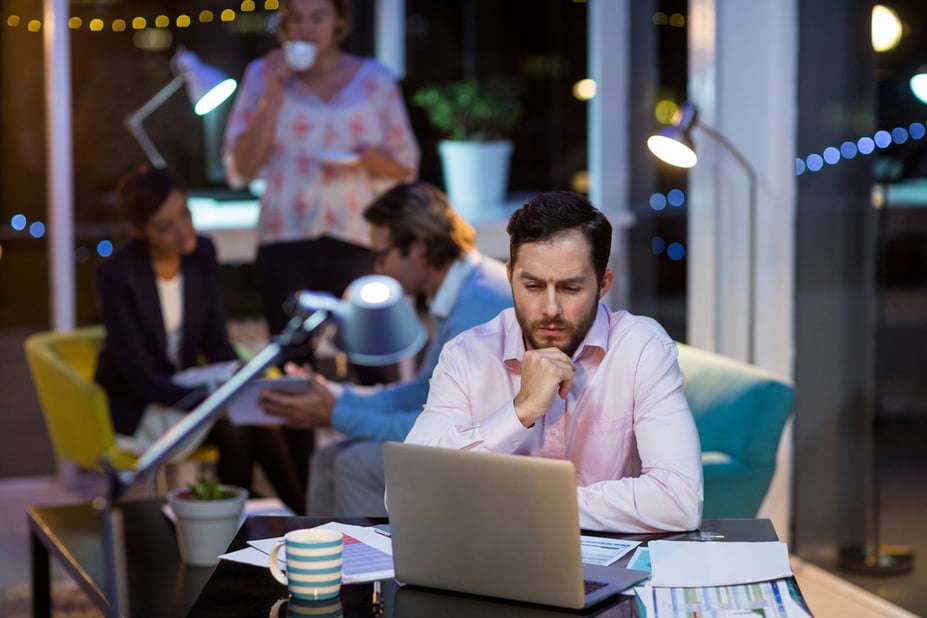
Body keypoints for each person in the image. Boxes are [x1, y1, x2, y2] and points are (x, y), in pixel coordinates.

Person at [404, 191, 703, 533]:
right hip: (492, 560)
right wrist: (520, 412)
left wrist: (534, 505)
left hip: (609, 565)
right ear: (510, 275)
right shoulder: (466, 355)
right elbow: (411, 491)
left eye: (570, 288)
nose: (550, 309)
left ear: (603, 284)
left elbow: (680, 501)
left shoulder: (640, 348)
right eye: (531, 286)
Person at [222, 0, 420, 487]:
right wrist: (270, 95)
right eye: (294, 19)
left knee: (374, 361)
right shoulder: (261, 75)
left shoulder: (374, 80)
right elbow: (241, 169)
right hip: (285, 235)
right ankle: (301, 498)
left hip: (358, 235)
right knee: (292, 367)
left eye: (316, 16)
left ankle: (389, 487)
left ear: (340, 22)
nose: (305, 28)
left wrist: (365, 160)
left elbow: (406, 166)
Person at [257, 181, 513, 516]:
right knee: (328, 456)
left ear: (419, 250)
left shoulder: (475, 306)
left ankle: (375, 567)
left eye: (380, 256)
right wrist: (333, 395)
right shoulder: (462, 287)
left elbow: (443, 429)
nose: (376, 269)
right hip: (466, 443)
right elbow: (420, 394)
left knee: (355, 463)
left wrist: (336, 415)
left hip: (494, 458)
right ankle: (319, 565)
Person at [94, 164, 307, 514]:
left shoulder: (202, 254)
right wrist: (213, 402)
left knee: (251, 417)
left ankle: (235, 525)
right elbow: (140, 375)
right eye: (165, 227)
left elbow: (216, 342)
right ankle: (299, 514)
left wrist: (235, 391)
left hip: (191, 389)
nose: (183, 232)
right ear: (138, 231)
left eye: (185, 215)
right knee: (241, 423)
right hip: (146, 405)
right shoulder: (116, 274)